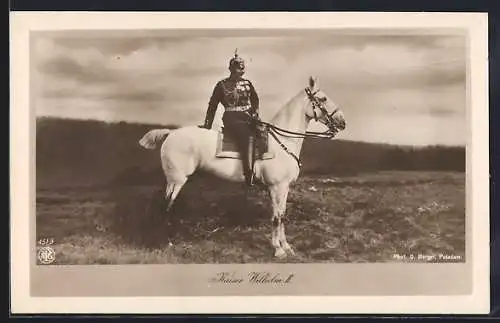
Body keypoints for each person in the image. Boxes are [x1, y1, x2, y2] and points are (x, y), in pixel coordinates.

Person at [202, 50, 260, 187]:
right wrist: (207, 125)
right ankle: (248, 175)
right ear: (231, 69)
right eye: (237, 69)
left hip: (248, 118)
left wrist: (254, 113)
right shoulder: (221, 85)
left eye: (242, 69)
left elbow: (255, 100)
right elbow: (213, 105)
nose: (240, 71)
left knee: (263, 134)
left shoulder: (248, 83)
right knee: (246, 137)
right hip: (232, 119)